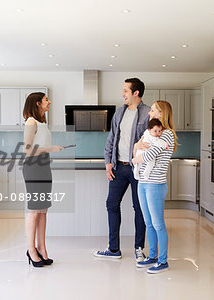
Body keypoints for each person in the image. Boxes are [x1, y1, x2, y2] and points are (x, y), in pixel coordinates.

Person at [94, 78, 150, 261]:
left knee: (139, 208)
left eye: (125, 90)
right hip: (118, 167)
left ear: (136, 93)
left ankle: (139, 248)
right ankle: (113, 249)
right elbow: (111, 139)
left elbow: (152, 140)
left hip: (138, 169)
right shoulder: (119, 113)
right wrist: (108, 162)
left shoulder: (148, 113)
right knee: (111, 204)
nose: (122, 94)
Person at [132, 100, 177, 274]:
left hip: (155, 185)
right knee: (148, 222)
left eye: (152, 110)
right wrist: (137, 148)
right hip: (143, 182)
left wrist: (135, 157)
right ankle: (152, 256)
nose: (149, 113)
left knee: (158, 224)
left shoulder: (165, 134)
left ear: (161, 113)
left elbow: (148, 154)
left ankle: (163, 260)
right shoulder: (150, 132)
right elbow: (137, 149)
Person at [22, 92, 64, 267]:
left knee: (43, 210)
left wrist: (49, 150)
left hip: (44, 167)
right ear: (38, 103)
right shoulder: (31, 122)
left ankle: (42, 248)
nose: (50, 102)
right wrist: (51, 148)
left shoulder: (42, 123)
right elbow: (27, 150)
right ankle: (31, 250)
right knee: (34, 210)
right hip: (33, 168)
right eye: (46, 100)